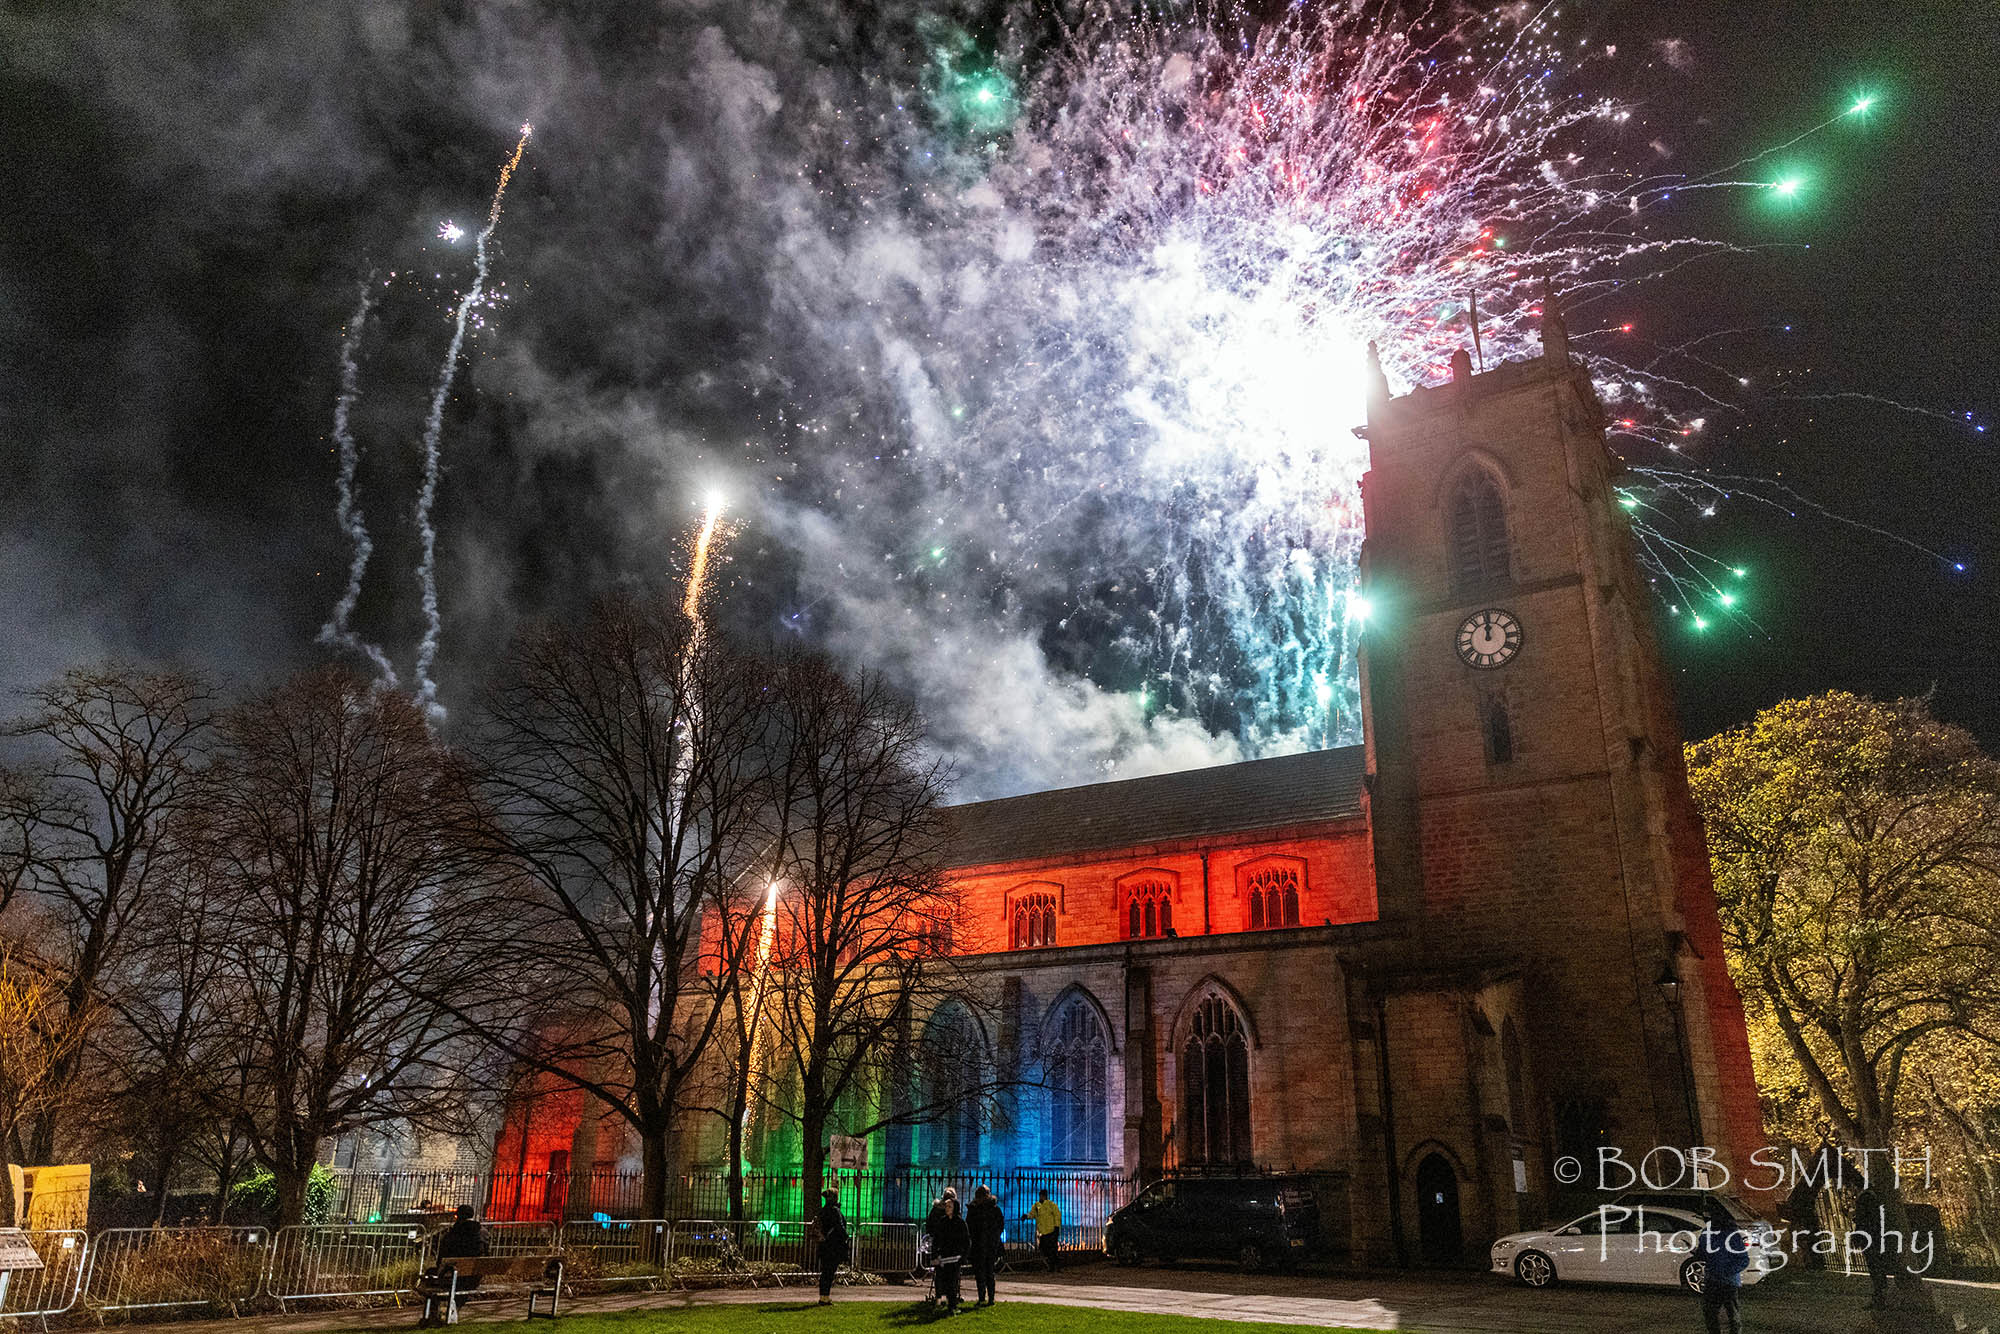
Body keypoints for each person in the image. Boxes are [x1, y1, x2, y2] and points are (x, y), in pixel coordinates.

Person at [1695, 1202, 1748, 1334]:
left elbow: (1743, 1259)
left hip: (1727, 1281)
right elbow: (1703, 1254)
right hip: (1713, 1279)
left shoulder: (1730, 1235)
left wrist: (1725, 1272)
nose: (1706, 1221)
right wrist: (1697, 1254)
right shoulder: (1706, 1233)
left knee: (1731, 1315)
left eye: (1708, 1218)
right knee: (1711, 1313)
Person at [1854, 1180, 1895, 1310]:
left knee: (1875, 1267)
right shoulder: (1874, 1197)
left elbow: (1863, 1221)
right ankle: (1880, 1297)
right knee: (1877, 1267)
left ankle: (1880, 1298)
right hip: (1876, 1237)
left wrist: (1857, 1235)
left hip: (1870, 1238)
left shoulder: (1865, 1198)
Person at [435, 1206, 487, 1309]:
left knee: (431, 1276)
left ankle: (435, 1312)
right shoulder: (483, 1234)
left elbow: (440, 1259)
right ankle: (454, 1308)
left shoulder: (451, 1234)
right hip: (473, 1277)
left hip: (452, 1277)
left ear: (458, 1216)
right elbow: (486, 1253)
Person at [930, 1192, 970, 1314]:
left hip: (955, 1256)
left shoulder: (960, 1223)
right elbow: (937, 1239)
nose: (947, 1209)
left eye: (949, 1207)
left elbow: (966, 1240)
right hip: (944, 1256)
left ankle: (952, 1305)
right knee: (944, 1280)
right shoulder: (943, 1222)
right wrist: (935, 1253)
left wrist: (964, 1256)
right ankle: (945, 1302)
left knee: (953, 1282)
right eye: (946, 1207)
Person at [967, 1185, 1004, 1307]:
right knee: (987, 1272)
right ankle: (988, 1298)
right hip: (986, 1245)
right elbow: (1000, 1226)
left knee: (983, 1273)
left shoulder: (975, 1209)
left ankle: (984, 1297)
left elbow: (970, 1226)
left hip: (982, 1245)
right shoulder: (993, 1209)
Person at [811, 1189, 850, 1306]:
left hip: (824, 1244)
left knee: (825, 1271)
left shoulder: (822, 1211)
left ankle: (823, 1296)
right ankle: (825, 1298)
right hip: (833, 1245)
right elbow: (840, 1227)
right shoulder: (835, 1211)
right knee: (830, 1271)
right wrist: (846, 1236)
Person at [1025, 1190, 1062, 1273]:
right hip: (1043, 1231)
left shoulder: (1051, 1205)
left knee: (1052, 1249)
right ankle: (1053, 1265)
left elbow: (1057, 1216)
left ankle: (1054, 1266)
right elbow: (1032, 1214)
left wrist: (1056, 1227)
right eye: (1040, 1196)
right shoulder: (1036, 1206)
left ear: (1045, 1196)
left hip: (1051, 1230)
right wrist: (1026, 1216)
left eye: (1042, 1196)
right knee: (1045, 1249)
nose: (1041, 1197)